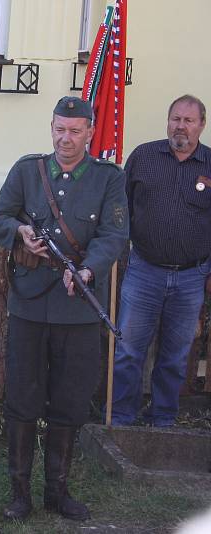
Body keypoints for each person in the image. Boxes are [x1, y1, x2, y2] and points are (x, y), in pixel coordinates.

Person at [0, 96, 129, 522]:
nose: (66, 139)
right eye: (59, 129)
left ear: (89, 131)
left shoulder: (108, 178)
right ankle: (20, 493)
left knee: (68, 401)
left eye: (75, 131)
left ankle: (58, 492)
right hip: (29, 304)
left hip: (78, 308)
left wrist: (88, 271)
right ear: (51, 128)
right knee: (23, 400)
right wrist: (19, 232)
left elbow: (113, 235)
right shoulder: (28, 170)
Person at [110, 94, 211, 427]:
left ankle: (163, 420)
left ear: (201, 125)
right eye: (175, 119)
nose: (180, 126)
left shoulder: (210, 165)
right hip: (144, 272)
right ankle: (122, 419)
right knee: (128, 351)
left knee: (174, 356)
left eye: (188, 120)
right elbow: (120, 210)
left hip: (191, 277)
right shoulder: (144, 156)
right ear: (167, 121)